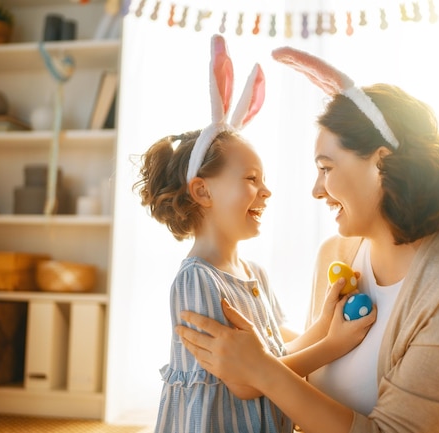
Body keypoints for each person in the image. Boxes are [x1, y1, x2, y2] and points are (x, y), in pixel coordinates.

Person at [177, 45, 439, 433]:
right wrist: (262, 357)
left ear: (381, 163)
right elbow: (314, 385)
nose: (317, 189)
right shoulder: (337, 254)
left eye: (326, 168)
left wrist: (262, 369)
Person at [134, 36, 375, 433]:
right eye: (251, 179)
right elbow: (247, 382)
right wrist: (334, 345)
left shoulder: (254, 274)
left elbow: (276, 355)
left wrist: (327, 323)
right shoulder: (197, 279)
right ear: (202, 190)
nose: (266, 191)